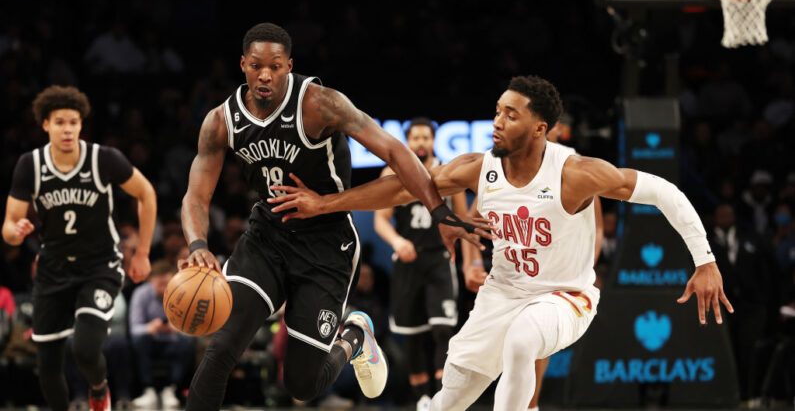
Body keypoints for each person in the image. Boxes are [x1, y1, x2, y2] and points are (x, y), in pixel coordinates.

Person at [268, 75, 734, 410]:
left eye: (510, 115)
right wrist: (325, 203)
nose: (497, 121)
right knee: (448, 400)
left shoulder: (574, 173)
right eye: (496, 111)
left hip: (565, 296)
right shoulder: (479, 166)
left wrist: (705, 260)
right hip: (501, 294)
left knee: (523, 341)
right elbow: (402, 187)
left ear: (539, 129)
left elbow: (664, 191)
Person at [178, 23, 483, 409]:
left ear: (289, 66)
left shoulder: (320, 103)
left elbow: (394, 152)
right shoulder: (221, 121)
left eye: (275, 65)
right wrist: (198, 244)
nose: (265, 74)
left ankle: (354, 336)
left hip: (327, 244)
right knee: (221, 348)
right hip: (266, 239)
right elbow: (195, 196)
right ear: (243, 65)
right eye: (256, 65)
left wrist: (438, 211)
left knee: (302, 385)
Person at [2, 85, 156, 411]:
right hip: (53, 267)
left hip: (99, 266)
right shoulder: (30, 165)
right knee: (47, 365)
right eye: (60, 122)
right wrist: (16, 233)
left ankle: (99, 389)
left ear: (81, 124)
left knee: (85, 349)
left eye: (74, 122)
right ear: (45, 124)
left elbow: (146, 194)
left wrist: (142, 252)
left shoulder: (104, 159)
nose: (68, 129)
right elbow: (8, 227)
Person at [460, 115, 604, 411]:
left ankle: (530, 405)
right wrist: (471, 263)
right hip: (507, 268)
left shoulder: (574, 169)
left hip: (553, 271)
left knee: (531, 341)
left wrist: (584, 269)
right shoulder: (502, 166)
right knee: (485, 347)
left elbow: (597, 227)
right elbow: (470, 222)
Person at [373, 117, 468, 410]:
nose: (422, 143)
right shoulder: (392, 172)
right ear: (408, 142)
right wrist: (397, 242)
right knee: (412, 336)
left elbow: (461, 220)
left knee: (442, 329)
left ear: (434, 141)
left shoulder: (450, 173)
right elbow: (380, 219)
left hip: (439, 259)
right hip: (408, 261)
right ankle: (422, 399)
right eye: (416, 138)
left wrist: (467, 260)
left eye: (427, 138)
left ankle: (441, 397)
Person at [129, 260, 195, 409]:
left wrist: (177, 328)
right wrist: (150, 328)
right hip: (150, 341)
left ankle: (170, 389)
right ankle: (148, 389)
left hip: (173, 341)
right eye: (160, 284)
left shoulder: (183, 295)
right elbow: (134, 329)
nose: (165, 288)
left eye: (168, 283)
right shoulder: (141, 294)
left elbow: (191, 330)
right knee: (138, 340)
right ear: (151, 280)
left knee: (188, 342)